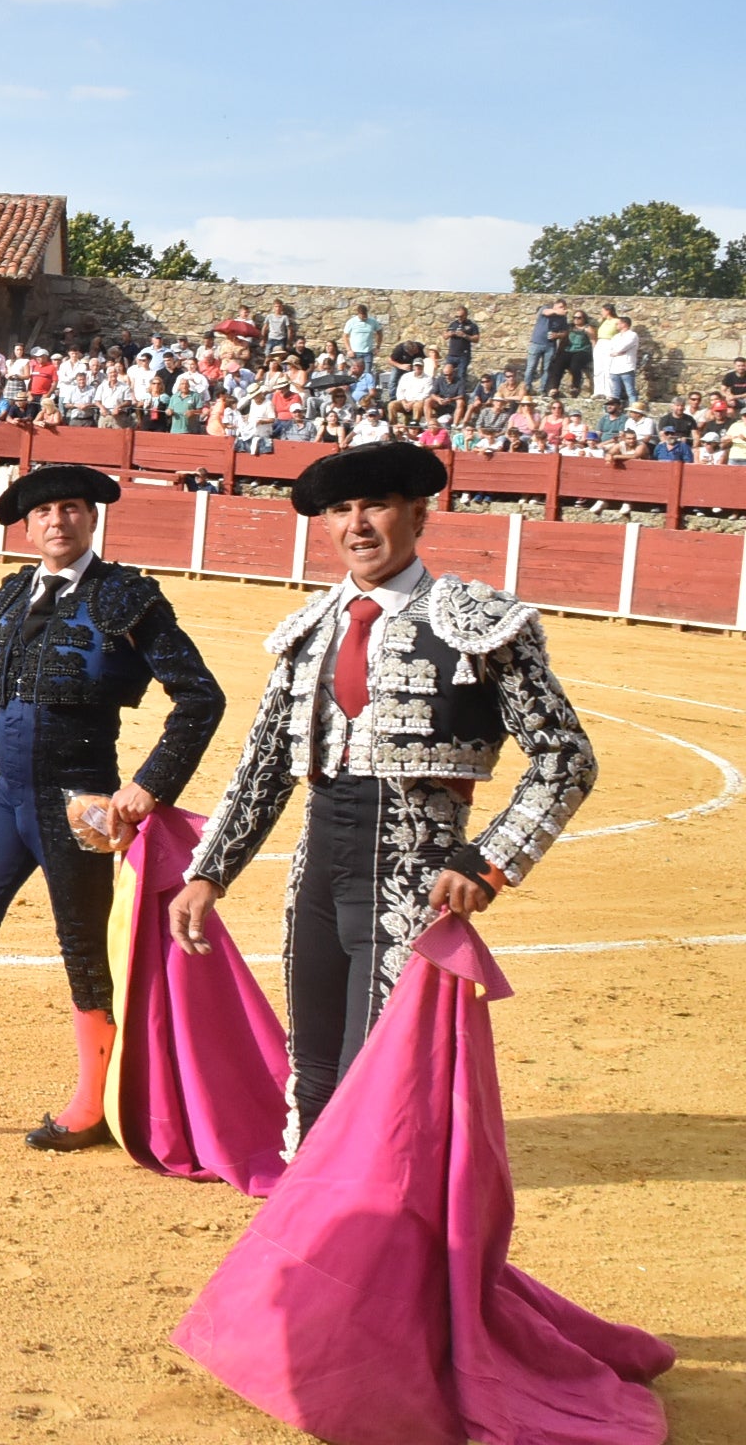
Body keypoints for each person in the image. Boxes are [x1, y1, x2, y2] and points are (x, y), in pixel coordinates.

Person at [168, 441, 597, 1152]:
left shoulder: (477, 622)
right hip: (319, 868)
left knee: (382, 1071)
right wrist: (208, 871)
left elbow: (566, 758)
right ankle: (309, 1211)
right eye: (341, 510)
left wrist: (486, 861)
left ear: (418, 515)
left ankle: (372, 1223)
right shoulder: (311, 628)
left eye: (375, 506)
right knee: (311, 1067)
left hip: (416, 879)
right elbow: (266, 763)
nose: (357, 524)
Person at [0, 465, 227, 1145]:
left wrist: (149, 785)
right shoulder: (8, 598)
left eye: (70, 509)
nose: (57, 520)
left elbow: (201, 696)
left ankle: (94, 1104)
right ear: (27, 528)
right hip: (3, 797)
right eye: (44, 513)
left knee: (84, 949)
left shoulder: (128, 598)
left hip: (84, 802)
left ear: (91, 518)